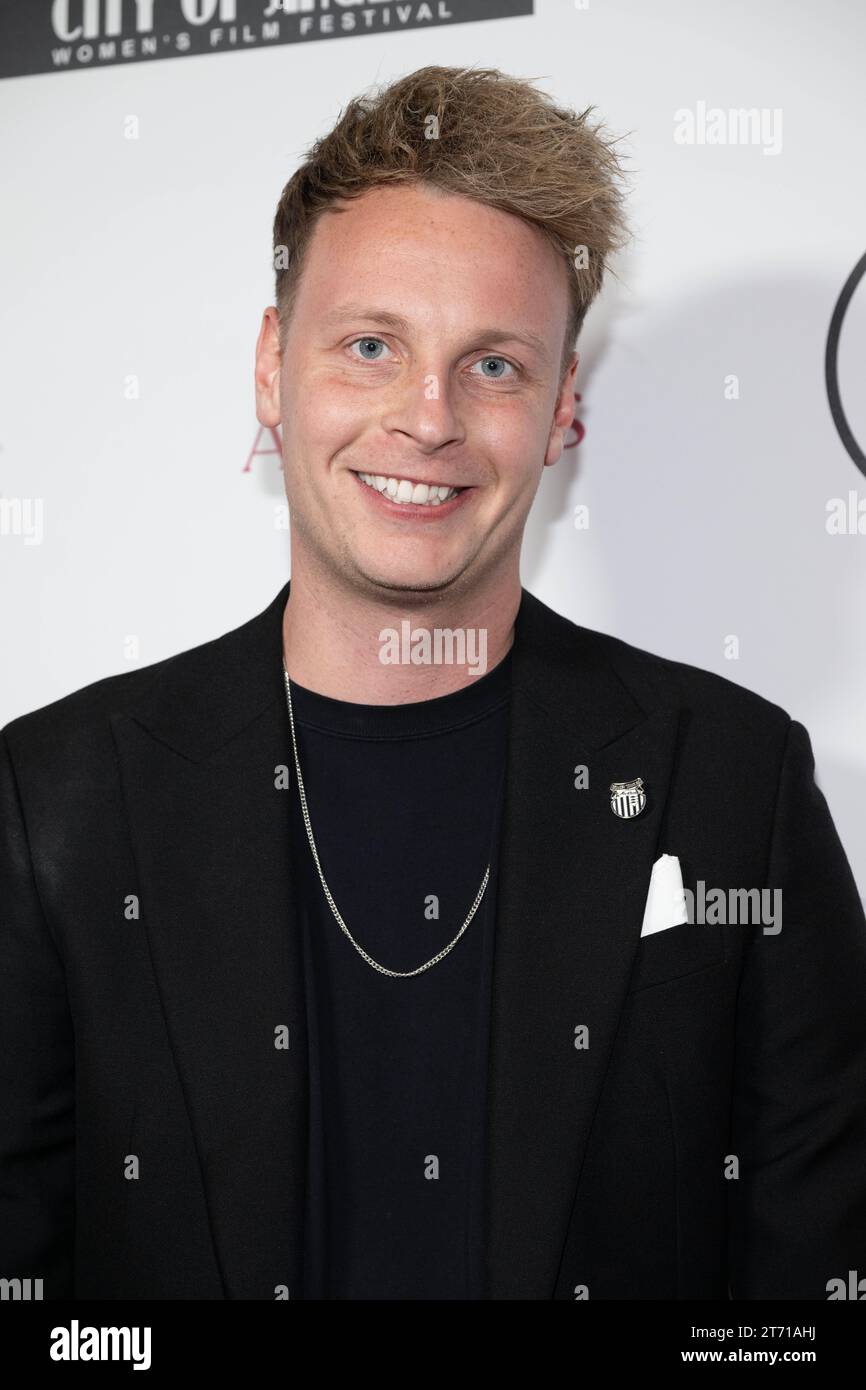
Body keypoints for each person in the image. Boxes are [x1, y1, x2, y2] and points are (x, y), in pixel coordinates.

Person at [2, 65, 865, 1302]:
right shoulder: (56, 802)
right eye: (369, 345)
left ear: (564, 405)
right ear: (270, 368)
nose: (427, 420)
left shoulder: (733, 780)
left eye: (495, 367)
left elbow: (811, 1290)